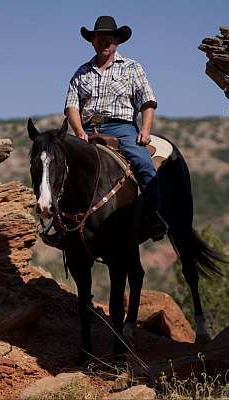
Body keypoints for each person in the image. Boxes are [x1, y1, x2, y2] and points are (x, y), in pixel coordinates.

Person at [64, 15, 168, 240]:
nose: (104, 42)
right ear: (92, 41)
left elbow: (147, 102)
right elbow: (71, 106)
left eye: (108, 38)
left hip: (122, 128)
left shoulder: (132, 68)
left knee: (142, 164)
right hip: (88, 129)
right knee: (58, 164)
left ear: (117, 41)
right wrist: (79, 131)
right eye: (100, 38)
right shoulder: (81, 72)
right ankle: (59, 224)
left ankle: (154, 217)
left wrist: (146, 129)